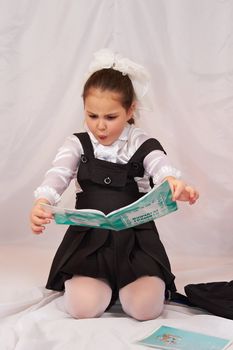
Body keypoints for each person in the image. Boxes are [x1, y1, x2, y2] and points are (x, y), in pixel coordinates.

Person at [30, 49, 199, 321]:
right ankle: (102, 284)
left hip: (136, 240)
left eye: (111, 117)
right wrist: (41, 203)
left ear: (130, 109)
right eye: (92, 116)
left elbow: (161, 167)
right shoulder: (77, 143)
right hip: (89, 239)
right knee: (83, 309)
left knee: (145, 310)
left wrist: (175, 184)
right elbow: (57, 175)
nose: (100, 127)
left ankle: (132, 284)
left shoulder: (142, 143)